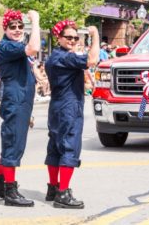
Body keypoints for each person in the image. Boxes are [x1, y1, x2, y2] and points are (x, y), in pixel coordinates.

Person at [44, 20, 99, 209]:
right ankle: (63, 194)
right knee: (69, 147)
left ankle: (53, 187)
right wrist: (95, 35)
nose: (73, 40)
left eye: (76, 37)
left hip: (57, 106)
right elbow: (92, 60)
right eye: (69, 37)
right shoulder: (65, 57)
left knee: (54, 147)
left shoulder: (54, 57)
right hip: (69, 106)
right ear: (58, 38)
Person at [0, 9, 40, 207]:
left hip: (21, 101)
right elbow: (34, 47)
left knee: (13, 141)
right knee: (13, 143)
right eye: (13, 27)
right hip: (15, 101)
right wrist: (35, 21)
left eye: (20, 26)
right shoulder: (7, 46)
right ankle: (10, 190)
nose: (17, 30)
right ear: (5, 29)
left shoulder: (14, 46)